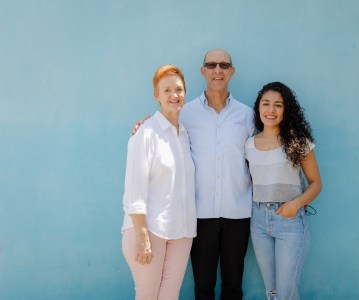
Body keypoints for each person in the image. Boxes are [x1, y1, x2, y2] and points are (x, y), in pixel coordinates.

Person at [131, 49, 253, 300]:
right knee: (203, 288)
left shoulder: (247, 116)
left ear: (232, 71)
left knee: (233, 287)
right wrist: (141, 127)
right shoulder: (185, 113)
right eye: (211, 65)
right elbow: (162, 127)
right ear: (203, 71)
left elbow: (261, 153)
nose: (217, 70)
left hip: (238, 213)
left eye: (223, 65)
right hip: (200, 216)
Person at [121, 65, 197, 300]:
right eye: (167, 90)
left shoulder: (183, 134)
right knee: (147, 295)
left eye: (179, 89)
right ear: (156, 96)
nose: (174, 95)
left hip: (181, 231)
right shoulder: (146, 133)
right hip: (149, 229)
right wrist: (143, 235)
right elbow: (134, 189)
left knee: (169, 296)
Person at [245, 81, 322, 300]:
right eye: (266, 104)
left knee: (286, 293)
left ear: (285, 109)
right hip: (258, 221)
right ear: (258, 107)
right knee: (272, 292)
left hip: (289, 221)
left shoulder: (298, 142)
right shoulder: (248, 144)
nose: (271, 110)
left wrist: (296, 204)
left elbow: (316, 183)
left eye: (278, 105)